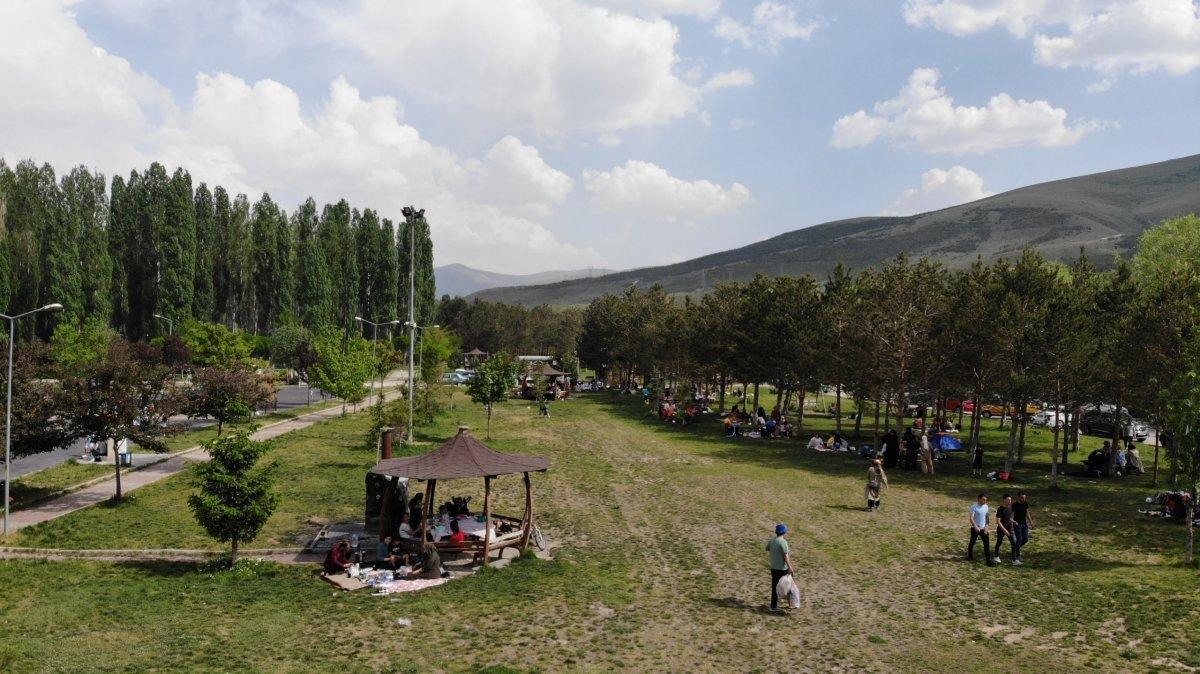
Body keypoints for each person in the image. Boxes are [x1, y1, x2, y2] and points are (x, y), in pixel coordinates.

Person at [766, 523, 794, 612]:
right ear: (784, 532)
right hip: (783, 569)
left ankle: (773, 606)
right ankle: (790, 604)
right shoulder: (783, 542)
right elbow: (785, 556)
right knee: (788, 585)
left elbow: (767, 548)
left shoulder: (772, 541)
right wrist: (790, 567)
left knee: (774, 587)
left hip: (774, 568)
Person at [967, 494, 993, 566]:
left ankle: (988, 560)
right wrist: (975, 526)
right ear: (979, 499)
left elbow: (987, 517)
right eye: (983, 500)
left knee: (986, 544)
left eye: (986, 500)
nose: (985, 501)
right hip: (975, 528)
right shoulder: (974, 507)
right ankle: (969, 555)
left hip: (983, 528)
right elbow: (971, 518)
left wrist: (987, 526)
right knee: (972, 542)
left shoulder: (986, 506)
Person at [993, 494, 1017, 565]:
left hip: (1010, 528)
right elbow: (998, 522)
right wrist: (1005, 530)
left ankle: (1014, 560)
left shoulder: (1011, 508)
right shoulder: (1000, 509)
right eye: (1008, 500)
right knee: (999, 542)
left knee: (1014, 542)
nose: (1010, 501)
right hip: (1001, 529)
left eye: (1010, 500)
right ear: (1004, 500)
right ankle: (996, 556)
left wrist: (1014, 521)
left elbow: (1010, 518)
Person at [1012, 491, 1033, 565]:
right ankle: (1017, 555)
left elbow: (1027, 512)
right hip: (1017, 524)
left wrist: (1030, 521)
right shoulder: (1015, 505)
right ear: (1019, 497)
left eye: (1024, 498)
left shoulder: (1025, 503)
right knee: (1019, 539)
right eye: (1022, 498)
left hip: (1024, 524)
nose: (1023, 499)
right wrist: (1013, 522)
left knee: (1025, 539)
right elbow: (1012, 515)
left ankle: (1015, 549)